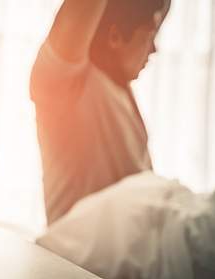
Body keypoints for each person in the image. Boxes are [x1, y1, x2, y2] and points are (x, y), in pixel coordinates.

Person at [30, 0, 171, 225]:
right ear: (114, 36)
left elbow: (159, 7)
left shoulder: (122, 90)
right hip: (75, 259)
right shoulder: (65, 85)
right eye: (150, 34)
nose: (154, 49)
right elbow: (79, 12)